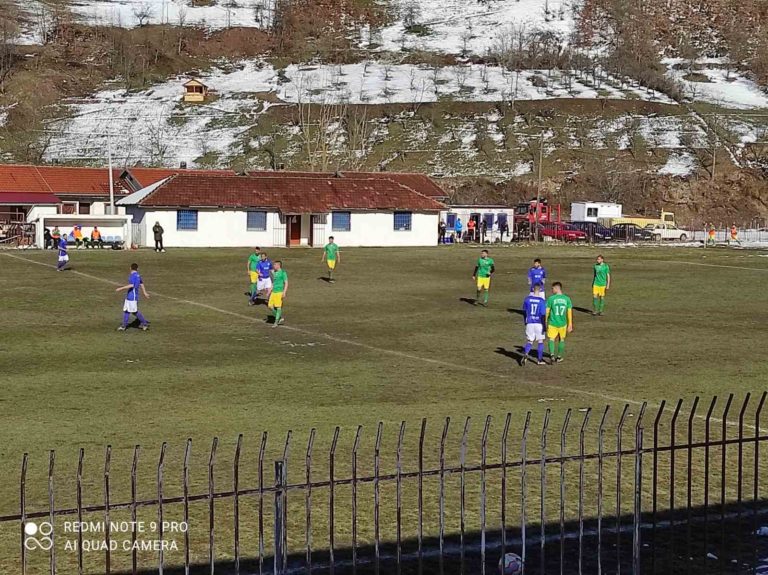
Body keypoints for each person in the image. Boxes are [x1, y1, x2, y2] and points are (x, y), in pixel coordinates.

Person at [115, 263, 150, 331]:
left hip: (132, 297)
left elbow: (132, 285)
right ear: (137, 268)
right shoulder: (138, 275)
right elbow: (141, 283)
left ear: (130, 268)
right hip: (130, 296)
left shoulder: (133, 276)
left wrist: (121, 288)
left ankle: (145, 323)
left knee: (134, 311)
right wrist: (144, 292)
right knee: (126, 310)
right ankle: (123, 326)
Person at [546, 282, 573, 364]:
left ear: (557, 288)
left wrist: (545, 321)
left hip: (552, 323)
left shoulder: (551, 299)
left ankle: (552, 355)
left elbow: (547, 311)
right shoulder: (567, 299)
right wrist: (570, 324)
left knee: (551, 339)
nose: (552, 290)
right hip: (563, 324)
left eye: (552, 288)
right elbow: (569, 312)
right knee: (561, 339)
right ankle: (559, 357)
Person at [521, 283, 547, 366]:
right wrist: (544, 326)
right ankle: (539, 360)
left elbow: (524, 311)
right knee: (540, 341)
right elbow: (543, 315)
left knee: (530, 341)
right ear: (539, 290)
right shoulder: (542, 301)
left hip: (530, 323)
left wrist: (525, 321)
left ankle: (526, 354)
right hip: (539, 323)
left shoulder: (527, 299)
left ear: (532, 289)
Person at [268, 260, 288, 327]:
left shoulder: (283, 272)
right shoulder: (275, 273)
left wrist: (284, 292)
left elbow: (286, 283)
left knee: (278, 307)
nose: (273, 266)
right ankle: (279, 317)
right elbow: (273, 283)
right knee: (270, 306)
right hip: (273, 292)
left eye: (275, 265)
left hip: (279, 292)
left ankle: (276, 322)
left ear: (278, 265)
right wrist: (269, 291)